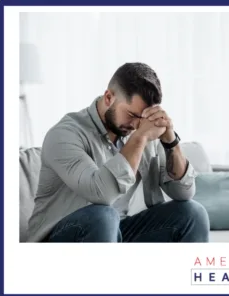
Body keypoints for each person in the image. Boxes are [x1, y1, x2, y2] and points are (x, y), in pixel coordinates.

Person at [27, 62, 210, 243]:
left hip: (114, 229)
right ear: (108, 97)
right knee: (103, 216)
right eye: (131, 115)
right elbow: (101, 194)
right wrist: (139, 138)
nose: (137, 125)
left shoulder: (141, 130)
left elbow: (183, 193)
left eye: (144, 118)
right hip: (58, 236)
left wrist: (171, 141)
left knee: (193, 214)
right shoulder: (64, 134)